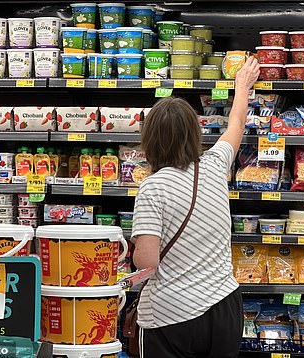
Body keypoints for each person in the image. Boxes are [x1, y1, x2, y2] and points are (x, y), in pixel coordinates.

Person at [131, 57, 261, 358]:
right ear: (195, 133)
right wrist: (242, 85)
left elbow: (146, 261)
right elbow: (237, 124)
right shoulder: (214, 165)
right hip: (224, 306)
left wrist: (132, 246)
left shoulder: (153, 187)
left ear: (149, 139)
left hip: (174, 314)